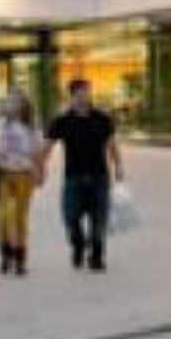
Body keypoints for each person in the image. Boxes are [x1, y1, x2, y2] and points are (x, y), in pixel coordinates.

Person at [40, 79, 124, 272]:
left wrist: (118, 165)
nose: (84, 97)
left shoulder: (102, 118)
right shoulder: (62, 121)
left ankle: (97, 256)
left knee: (99, 219)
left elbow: (111, 144)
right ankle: (78, 244)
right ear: (71, 97)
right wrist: (40, 168)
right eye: (79, 94)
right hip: (73, 177)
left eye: (86, 93)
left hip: (99, 176)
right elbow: (46, 147)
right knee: (70, 217)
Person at [0, 88, 42, 277]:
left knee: (20, 218)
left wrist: (40, 172)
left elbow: (37, 153)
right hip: (2, 175)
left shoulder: (31, 127)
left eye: (17, 101)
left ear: (24, 105)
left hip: (25, 175)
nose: (13, 105)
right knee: (3, 217)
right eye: (9, 101)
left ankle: (20, 259)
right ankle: (5, 254)